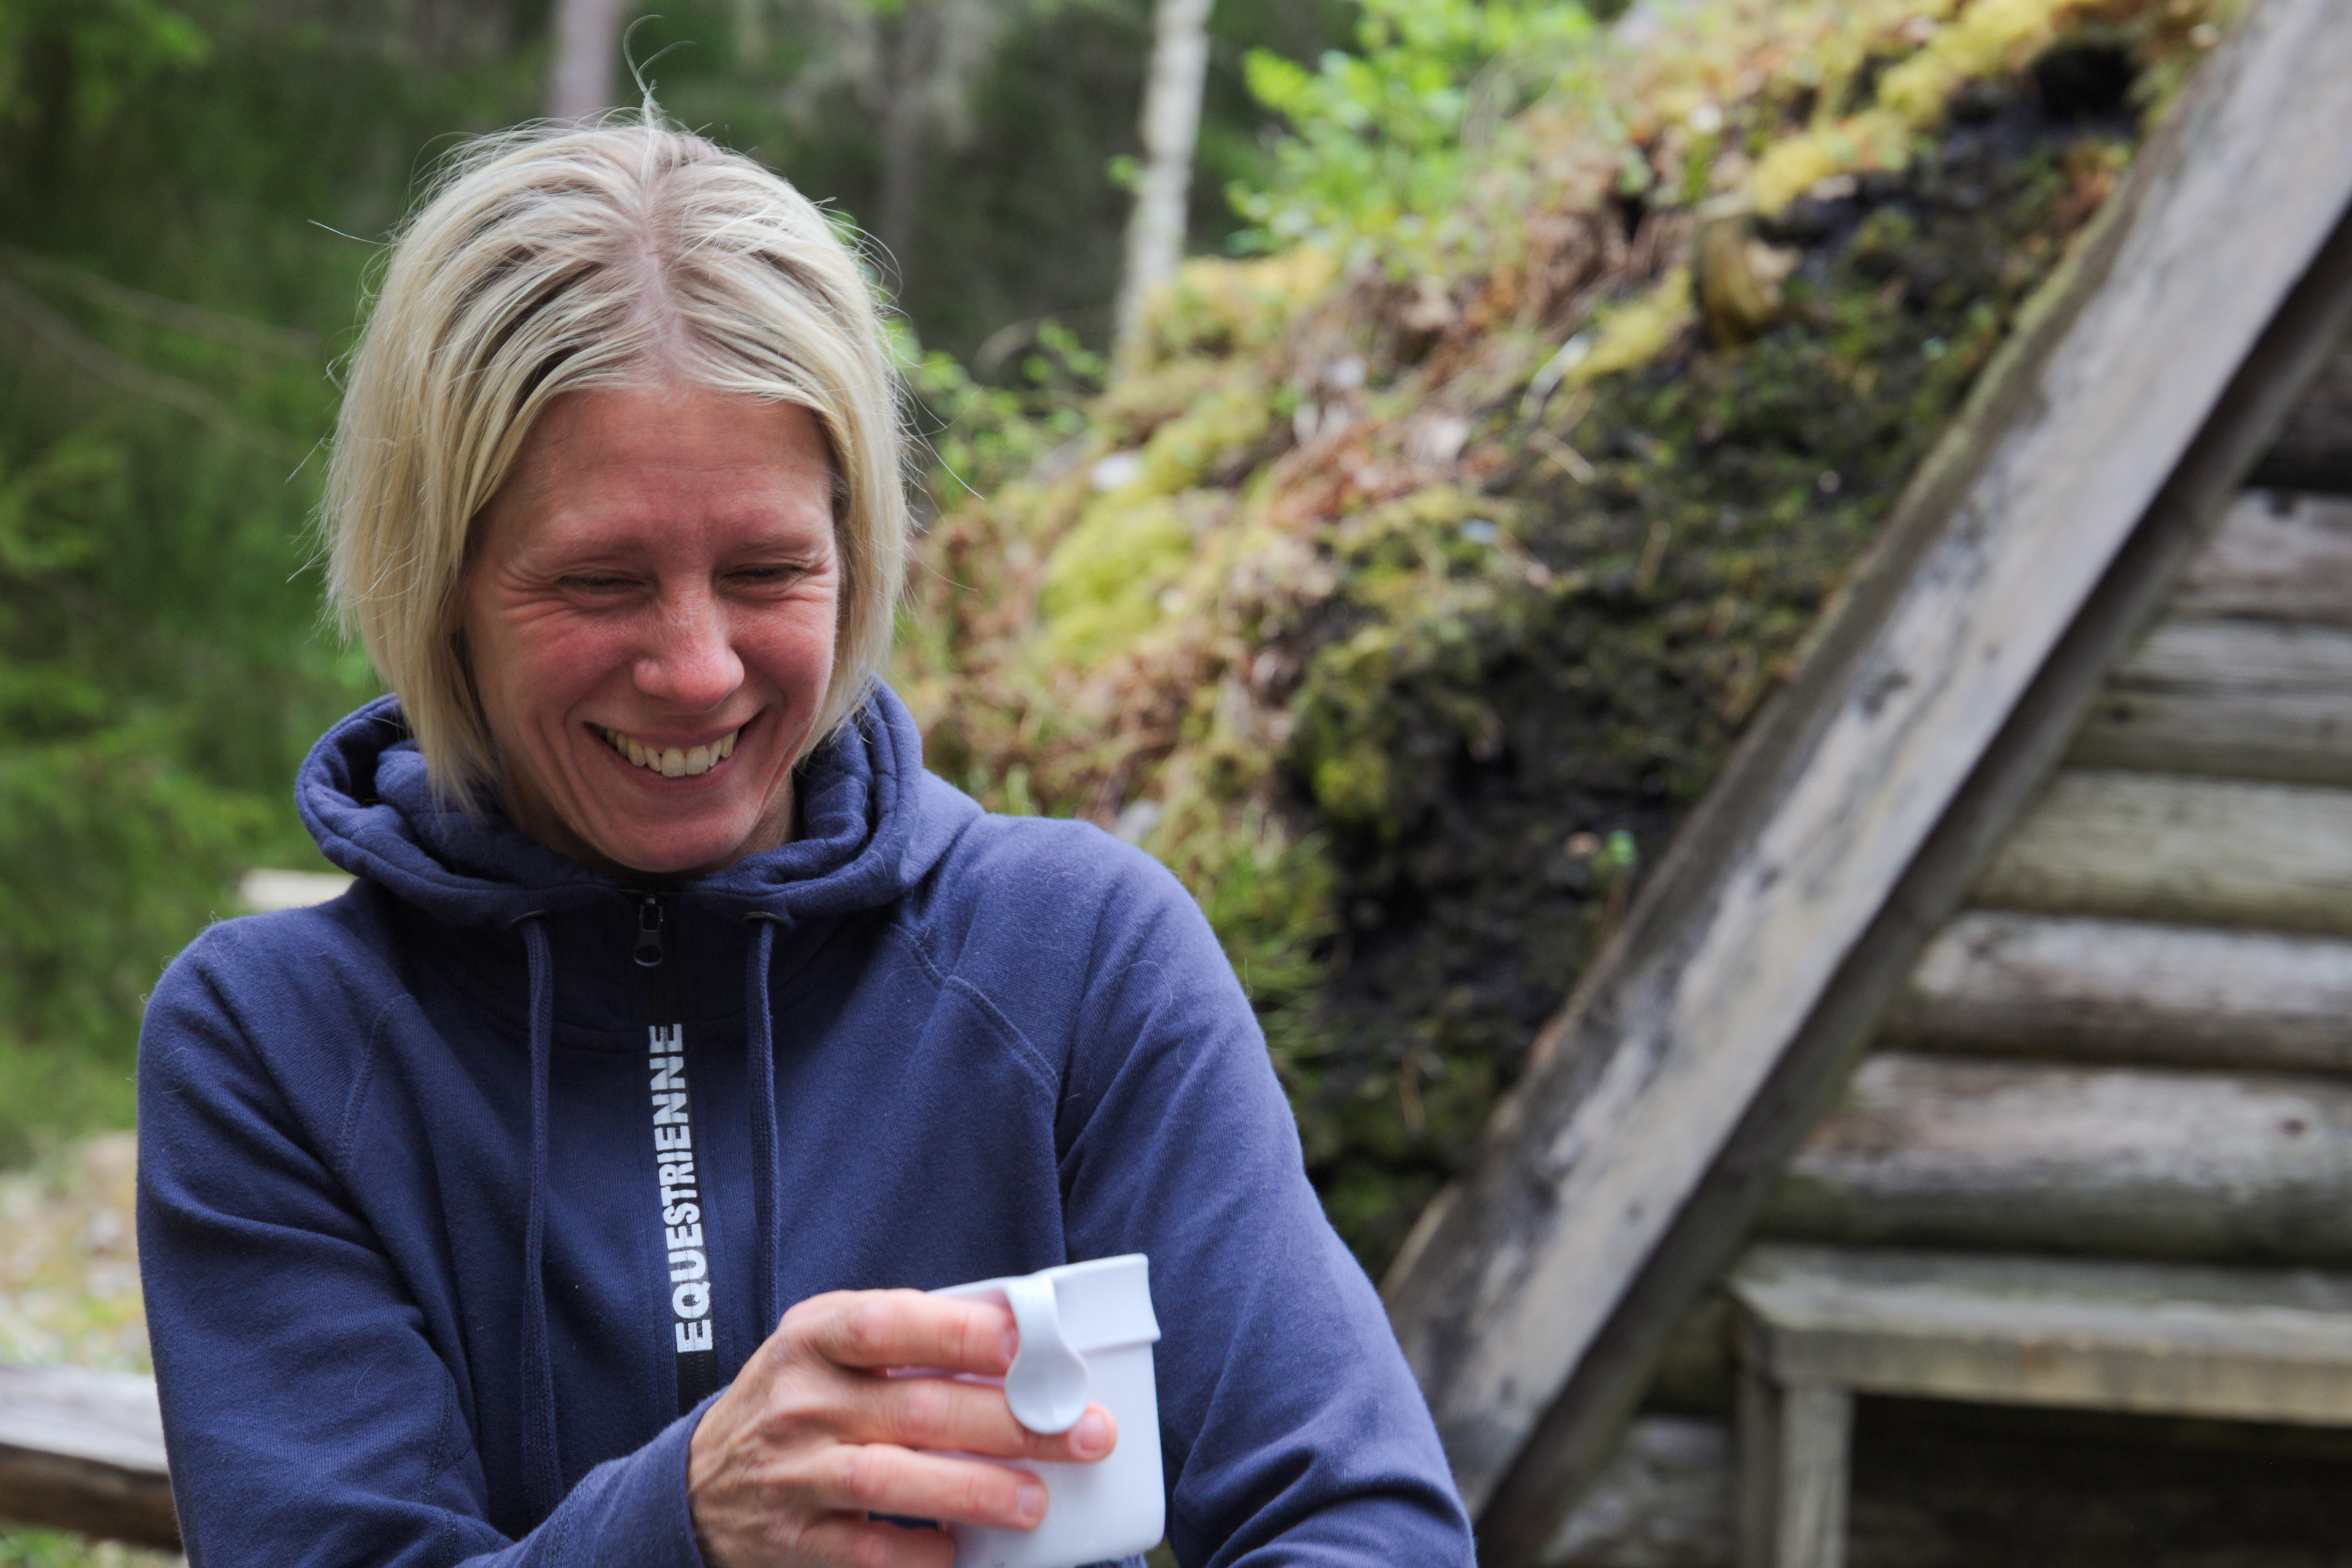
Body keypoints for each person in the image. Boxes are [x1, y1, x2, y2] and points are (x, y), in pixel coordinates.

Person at [134, 116, 1474, 1568]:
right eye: (601, 579)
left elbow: (1359, 1520)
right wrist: (688, 1520)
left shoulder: (1077, 959)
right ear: (438, 577)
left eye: (769, 568)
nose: (698, 667)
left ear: (858, 548)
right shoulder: (277, 1044)